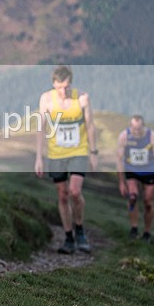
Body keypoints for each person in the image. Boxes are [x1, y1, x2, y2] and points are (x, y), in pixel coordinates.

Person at [34, 65, 98, 254]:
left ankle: (80, 230)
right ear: (54, 84)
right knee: (62, 195)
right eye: (60, 87)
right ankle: (68, 237)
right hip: (56, 154)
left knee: (75, 192)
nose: (64, 91)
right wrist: (39, 157)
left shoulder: (82, 98)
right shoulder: (46, 99)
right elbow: (41, 129)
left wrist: (94, 153)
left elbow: (91, 126)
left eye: (67, 86)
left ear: (71, 83)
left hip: (78, 151)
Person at [116, 115, 154, 242]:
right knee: (132, 197)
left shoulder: (152, 137)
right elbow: (119, 160)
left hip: (149, 171)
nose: (136, 132)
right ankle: (134, 228)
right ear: (130, 127)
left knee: (148, 202)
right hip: (132, 170)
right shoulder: (124, 136)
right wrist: (121, 182)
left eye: (139, 129)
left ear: (143, 127)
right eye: (134, 129)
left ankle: (147, 232)